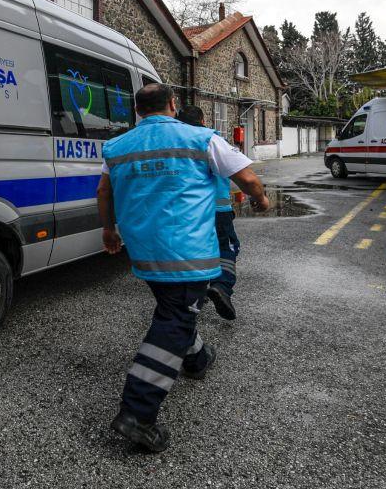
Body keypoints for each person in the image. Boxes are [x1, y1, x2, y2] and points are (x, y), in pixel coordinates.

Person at [97, 83, 270, 452]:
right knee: (175, 319)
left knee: (174, 307)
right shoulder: (201, 138)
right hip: (186, 253)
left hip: (143, 251)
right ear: (173, 104)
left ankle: (197, 359)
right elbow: (247, 178)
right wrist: (261, 199)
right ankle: (137, 412)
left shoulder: (117, 146)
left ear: (138, 111)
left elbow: (104, 192)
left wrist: (109, 230)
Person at [175, 105, 243, 321]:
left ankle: (194, 293)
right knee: (226, 248)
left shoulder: (174, 144)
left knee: (193, 250)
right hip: (218, 211)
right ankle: (221, 286)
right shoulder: (212, 140)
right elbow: (243, 174)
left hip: (187, 212)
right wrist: (260, 197)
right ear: (203, 120)